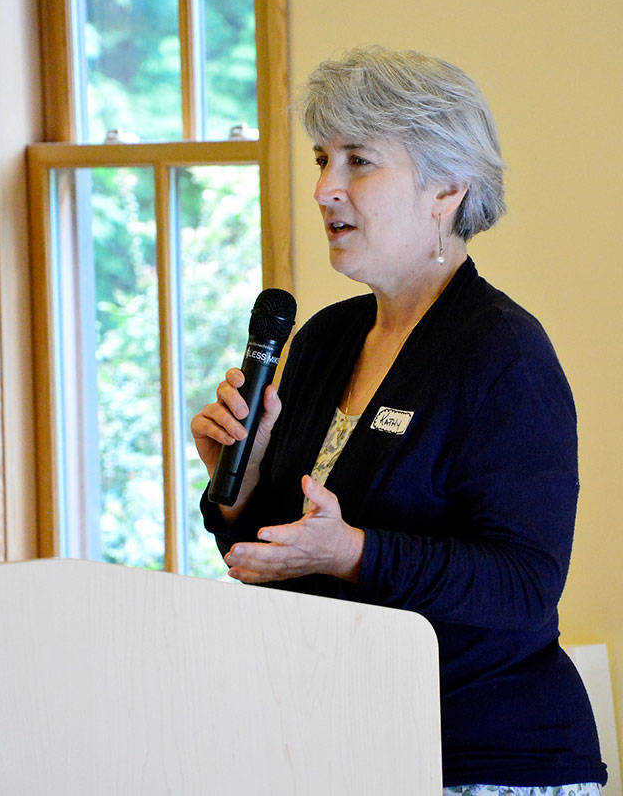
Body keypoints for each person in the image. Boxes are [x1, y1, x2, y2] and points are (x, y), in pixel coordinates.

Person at [191, 47, 607, 794]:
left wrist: (353, 551)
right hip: (340, 746)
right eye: (322, 158)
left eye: (359, 162)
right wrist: (241, 488)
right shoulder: (322, 340)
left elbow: (523, 587)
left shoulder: (504, 354)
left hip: (483, 759)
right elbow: (284, 558)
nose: (325, 189)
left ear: (447, 186)